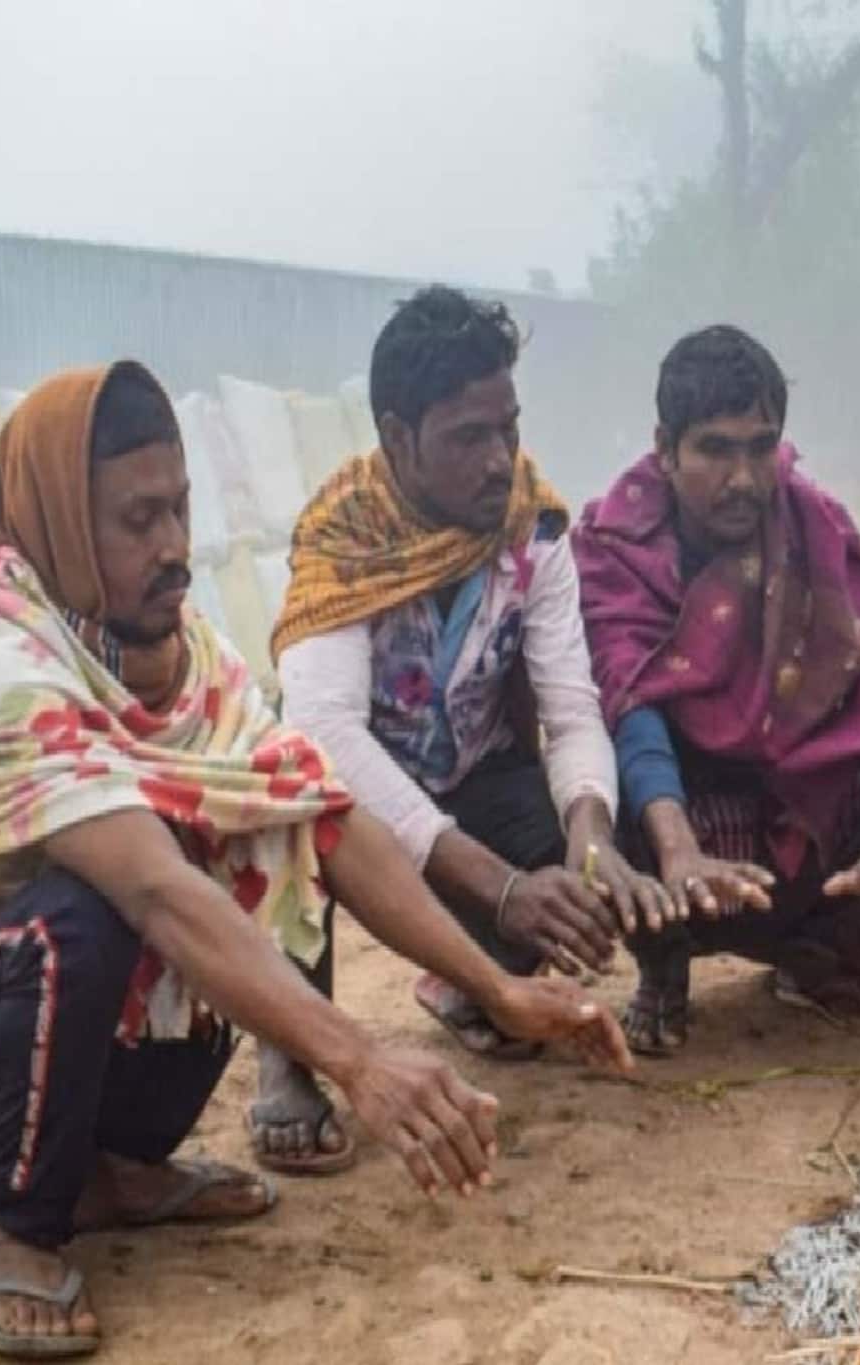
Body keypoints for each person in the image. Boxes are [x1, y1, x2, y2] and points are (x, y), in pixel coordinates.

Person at [0, 363, 628, 1359]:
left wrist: (496, 986)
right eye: (137, 521)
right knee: (87, 909)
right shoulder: (0, 667)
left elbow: (323, 819)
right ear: (64, 529)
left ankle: (104, 1173)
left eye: (180, 509)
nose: (173, 549)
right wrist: (361, 1059)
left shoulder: (188, 657)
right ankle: (15, 1234)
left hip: (24, 1068)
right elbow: (152, 894)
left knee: (248, 840)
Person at [259, 287, 664, 1169]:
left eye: (507, 429)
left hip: (480, 778)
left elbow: (570, 706)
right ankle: (289, 1052)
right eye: (467, 438)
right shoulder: (343, 540)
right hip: (352, 804)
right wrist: (500, 886)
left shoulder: (534, 524)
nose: (499, 461)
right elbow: (326, 735)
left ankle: (469, 987)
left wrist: (590, 843)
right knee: (288, 802)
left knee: (600, 840)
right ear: (398, 438)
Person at [572, 325, 860, 1056]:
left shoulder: (815, 523)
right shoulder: (615, 547)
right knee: (598, 770)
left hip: (791, 803)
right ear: (665, 449)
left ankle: (820, 954)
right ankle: (664, 959)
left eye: (760, 446)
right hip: (676, 809)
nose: (743, 476)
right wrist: (678, 853)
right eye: (715, 448)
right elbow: (631, 698)